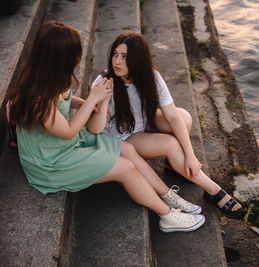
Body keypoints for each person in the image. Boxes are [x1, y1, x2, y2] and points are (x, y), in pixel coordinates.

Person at [8, 21, 205, 233]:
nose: (80, 55)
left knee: (128, 150)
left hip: (64, 141)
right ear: (61, 56)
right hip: (50, 158)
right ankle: (167, 216)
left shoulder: (56, 76)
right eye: (76, 50)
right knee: (126, 168)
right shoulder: (38, 97)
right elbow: (67, 132)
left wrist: (86, 104)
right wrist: (93, 99)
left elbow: (66, 100)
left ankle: (168, 194)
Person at [93, 33, 242, 217]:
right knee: (171, 144)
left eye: (124, 56)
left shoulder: (151, 77)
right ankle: (214, 190)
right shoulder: (104, 82)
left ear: (137, 59)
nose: (117, 61)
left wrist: (190, 155)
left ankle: (177, 164)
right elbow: (94, 127)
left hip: (141, 127)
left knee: (184, 117)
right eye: (115, 54)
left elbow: (172, 117)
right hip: (121, 138)